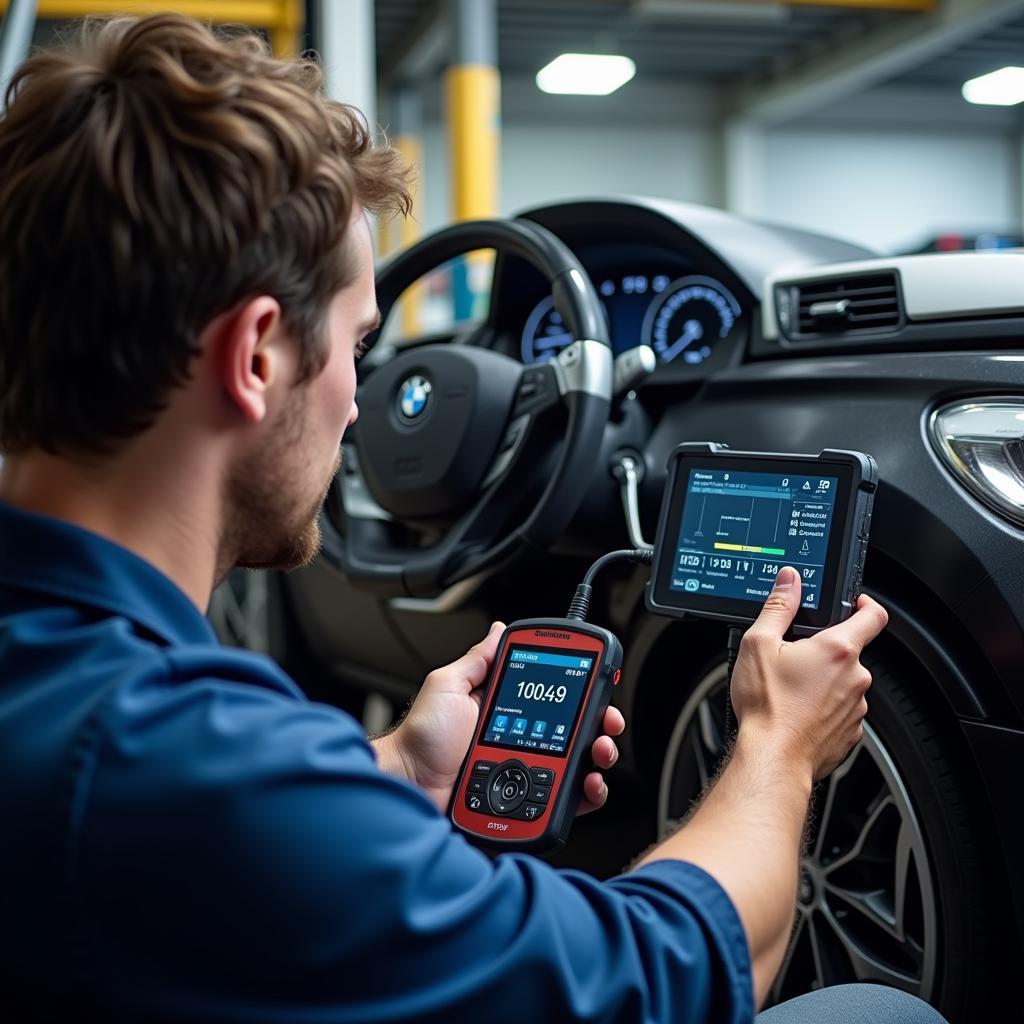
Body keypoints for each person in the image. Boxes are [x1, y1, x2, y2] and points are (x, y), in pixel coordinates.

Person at [0, 14, 947, 1024]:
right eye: (358, 348)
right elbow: (656, 975)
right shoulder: (180, 751)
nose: (363, 403)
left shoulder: (98, 704)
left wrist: (397, 769)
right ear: (259, 356)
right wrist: (778, 746)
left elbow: (208, 848)